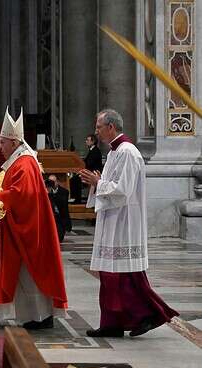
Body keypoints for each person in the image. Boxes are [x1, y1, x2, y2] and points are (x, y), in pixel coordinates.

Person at [80, 109, 178, 337]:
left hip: (125, 222)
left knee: (122, 276)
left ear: (111, 126)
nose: (96, 131)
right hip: (114, 218)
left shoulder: (128, 152)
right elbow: (112, 183)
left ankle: (145, 316)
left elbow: (123, 189)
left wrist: (98, 182)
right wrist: (97, 182)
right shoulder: (115, 153)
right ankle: (113, 323)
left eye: (99, 127)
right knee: (110, 274)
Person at [0, 107, 67, 329]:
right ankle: (3, 312)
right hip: (15, 226)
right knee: (14, 272)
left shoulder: (25, 163)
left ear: (13, 142)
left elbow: (24, 195)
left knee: (28, 273)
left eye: (2, 142)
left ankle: (39, 316)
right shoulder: (19, 160)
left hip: (28, 229)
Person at [71, 134, 103, 203]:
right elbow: (85, 162)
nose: (86, 142)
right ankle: (76, 199)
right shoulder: (92, 150)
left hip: (93, 173)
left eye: (88, 140)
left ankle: (77, 200)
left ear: (93, 142)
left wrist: (81, 171)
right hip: (90, 171)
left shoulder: (95, 151)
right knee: (74, 178)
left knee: (75, 180)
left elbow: (89, 163)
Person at [46, 174, 72, 242]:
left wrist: (51, 194)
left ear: (57, 182)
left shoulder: (64, 191)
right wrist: (47, 192)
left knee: (58, 239)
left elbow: (61, 204)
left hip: (59, 218)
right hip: (48, 218)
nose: (51, 183)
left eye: (53, 181)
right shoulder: (45, 191)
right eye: (49, 181)